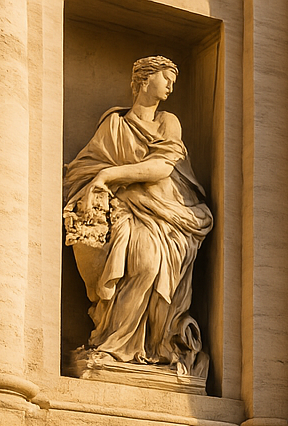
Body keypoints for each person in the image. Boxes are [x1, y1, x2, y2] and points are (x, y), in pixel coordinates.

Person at [63, 56, 213, 377]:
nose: (171, 85)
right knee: (137, 262)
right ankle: (113, 344)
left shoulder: (167, 122)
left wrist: (109, 175)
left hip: (167, 215)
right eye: (165, 77)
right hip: (125, 211)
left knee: (148, 263)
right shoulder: (114, 126)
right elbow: (84, 168)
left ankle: (153, 345)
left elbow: (162, 167)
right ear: (145, 80)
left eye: (174, 79)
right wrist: (101, 180)